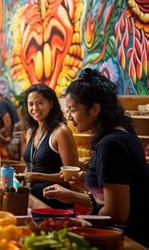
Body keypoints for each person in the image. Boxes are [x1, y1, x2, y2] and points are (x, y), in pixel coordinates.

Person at [43, 69, 149, 246]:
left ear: (95, 109)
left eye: (73, 110)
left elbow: (117, 213)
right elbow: (111, 200)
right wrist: (75, 194)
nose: (69, 117)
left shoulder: (111, 145)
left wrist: (80, 222)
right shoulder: (123, 134)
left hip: (124, 240)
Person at [20, 84, 79, 208]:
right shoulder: (31, 131)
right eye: (31, 104)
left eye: (40, 103)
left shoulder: (61, 132)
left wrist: (37, 176)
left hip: (56, 203)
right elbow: (30, 166)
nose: (34, 108)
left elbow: (73, 176)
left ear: (51, 103)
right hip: (32, 200)